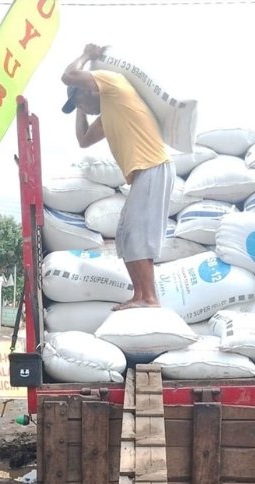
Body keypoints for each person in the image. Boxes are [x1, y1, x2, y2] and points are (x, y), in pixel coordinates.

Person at [61, 43, 174, 310]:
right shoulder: (108, 111)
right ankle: (140, 295)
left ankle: (148, 298)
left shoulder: (113, 85)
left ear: (89, 87)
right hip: (144, 172)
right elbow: (83, 140)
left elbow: (67, 75)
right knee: (125, 236)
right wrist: (79, 106)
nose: (81, 106)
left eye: (77, 99)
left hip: (153, 165)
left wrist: (87, 56)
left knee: (138, 234)